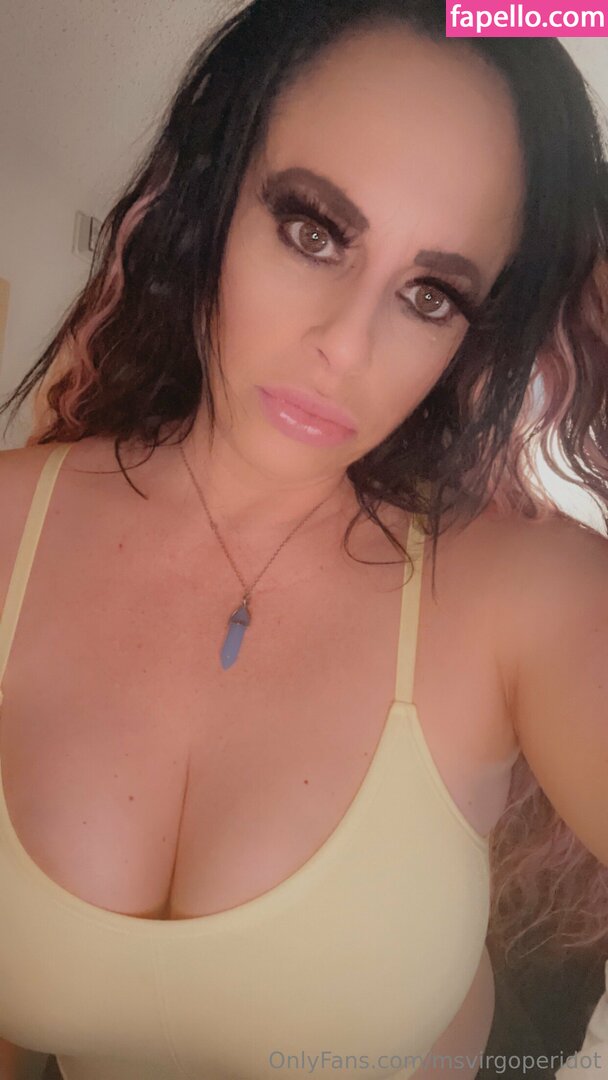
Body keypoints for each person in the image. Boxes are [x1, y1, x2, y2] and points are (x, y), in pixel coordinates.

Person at [0, 1, 607, 1077]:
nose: (345, 345)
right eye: (313, 232)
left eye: (430, 294)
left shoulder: (528, 589)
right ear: (208, 201)